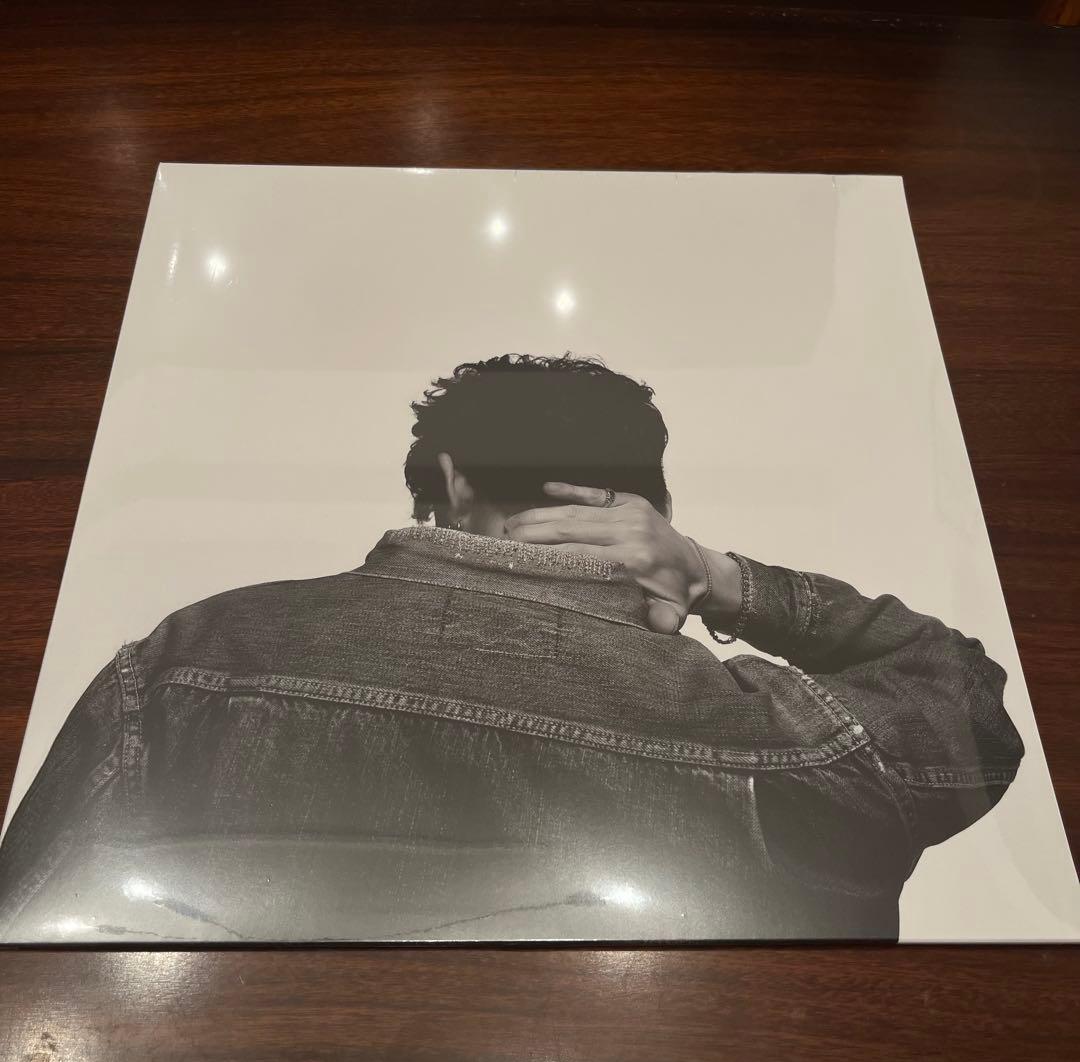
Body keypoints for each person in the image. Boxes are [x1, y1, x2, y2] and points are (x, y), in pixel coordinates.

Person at [0, 354, 1024, 943]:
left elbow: (28, 948)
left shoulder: (190, 658)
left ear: (448, 478)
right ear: (647, 504)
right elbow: (963, 702)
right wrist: (718, 576)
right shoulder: (773, 733)